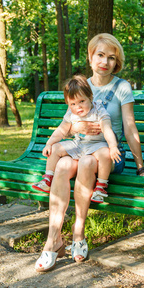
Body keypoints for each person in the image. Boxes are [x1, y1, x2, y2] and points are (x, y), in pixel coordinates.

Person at [35, 33, 144, 273]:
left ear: (117, 62)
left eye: (111, 57)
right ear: (91, 56)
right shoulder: (82, 85)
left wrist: (141, 166)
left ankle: (78, 234)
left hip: (106, 155)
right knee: (62, 166)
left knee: (85, 163)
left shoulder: (122, 87)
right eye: (100, 55)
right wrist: (76, 128)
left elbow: (129, 126)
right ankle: (53, 240)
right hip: (79, 148)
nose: (105, 61)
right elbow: (69, 120)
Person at [32, 74, 121, 204]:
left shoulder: (99, 111)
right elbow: (61, 131)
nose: (78, 107)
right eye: (72, 104)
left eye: (82, 101)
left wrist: (113, 146)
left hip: (97, 145)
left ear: (90, 97)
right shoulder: (71, 114)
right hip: (79, 145)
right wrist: (49, 143)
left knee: (105, 154)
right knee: (55, 148)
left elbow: (107, 129)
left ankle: (101, 186)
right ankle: (47, 178)